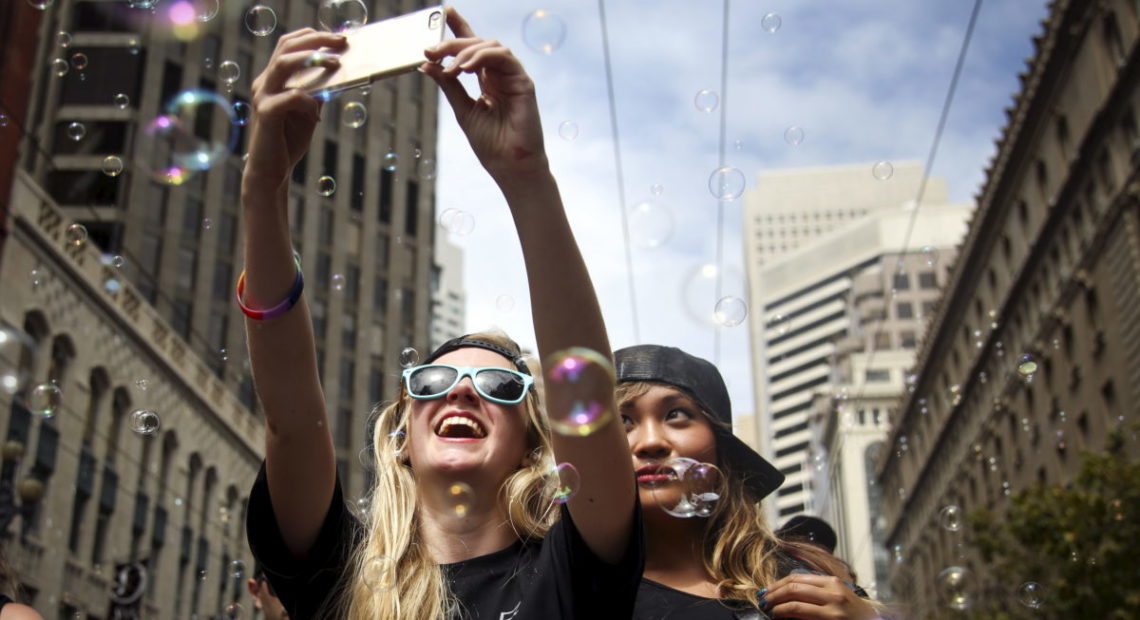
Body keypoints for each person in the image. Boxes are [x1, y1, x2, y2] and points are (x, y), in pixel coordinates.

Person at [241, 7, 640, 620]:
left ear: (535, 440)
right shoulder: (342, 570)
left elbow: (584, 398)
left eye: (500, 386)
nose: (461, 395)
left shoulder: (573, 569)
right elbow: (292, 418)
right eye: (432, 382)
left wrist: (527, 178)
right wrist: (263, 186)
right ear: (401, 435)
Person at [616, 344, 879, 620]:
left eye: (676, 414)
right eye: (622, 421)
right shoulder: (574, 586)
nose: (650, 442)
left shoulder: (807, 575)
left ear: (721, 449)